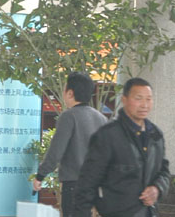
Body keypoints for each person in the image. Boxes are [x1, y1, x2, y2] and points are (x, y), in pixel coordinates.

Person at [73, 77, 170, 217]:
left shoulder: (155, 135)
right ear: (124, 100)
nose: (144, 105)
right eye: (138, 98)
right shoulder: (108, 135)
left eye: (148, 99)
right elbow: (87, 183)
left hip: (148, 213)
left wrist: (157, 188)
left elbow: (164, 171)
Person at [32, 72, 107, 217]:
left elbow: (56, 151)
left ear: (70, 93)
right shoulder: (101, 118)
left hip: (74, 186)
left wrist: (40, 175)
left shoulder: (68, 116)